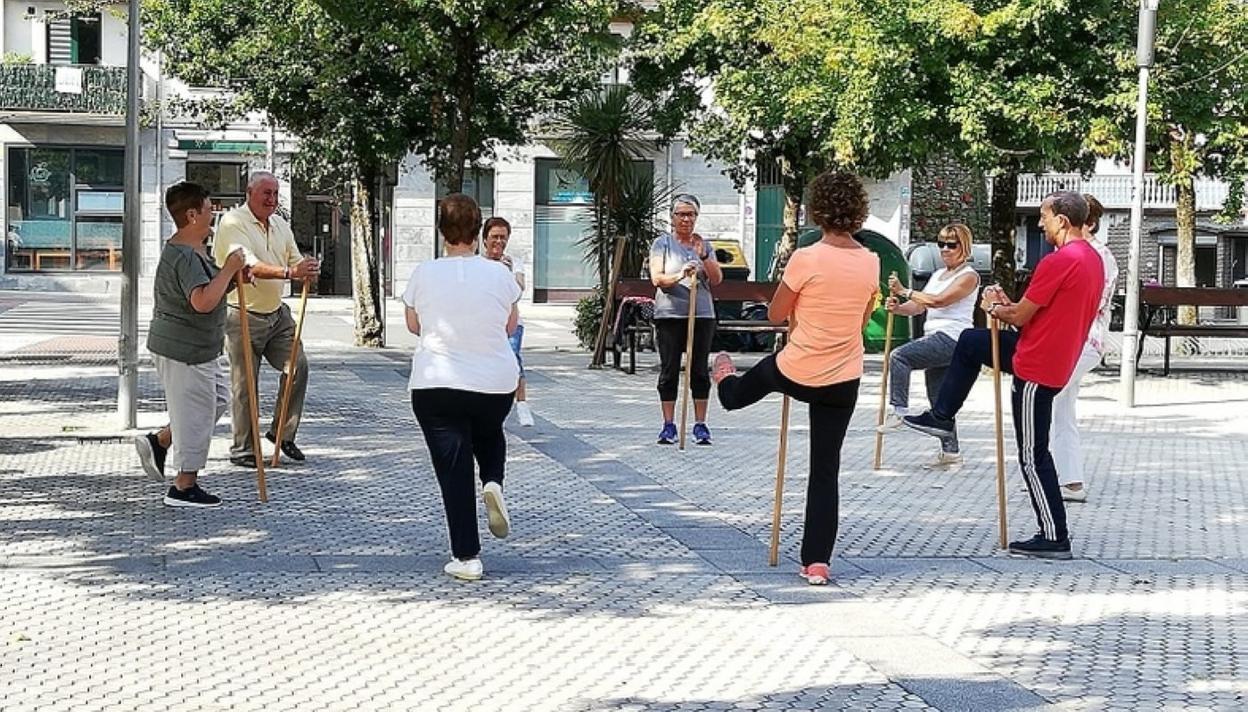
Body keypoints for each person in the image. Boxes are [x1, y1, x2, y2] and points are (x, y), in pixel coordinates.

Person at [901, 191, 1104, 559]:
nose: (1040, 223)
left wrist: (996, 306)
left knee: (1032, 453)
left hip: (1038, 364)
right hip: (1050, 353)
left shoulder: (1059, 261)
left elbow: (1019, 316)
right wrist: (1004, 305)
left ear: (1061, 220)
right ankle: (942, 416)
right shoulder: (1091, 258)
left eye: (1044, 216)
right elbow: (1039, 312)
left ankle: (1055, 534)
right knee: (971, 341)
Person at [711, 172, 879, 586]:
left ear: (818, 210)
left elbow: (774, 315)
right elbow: (860, 319)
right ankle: (817, 561)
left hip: (798, 367)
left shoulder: (806, 257)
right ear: (858, 211)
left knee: (745, 388)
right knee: (826, 469)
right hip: (843, 376)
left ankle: (724, 381)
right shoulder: (871, 261)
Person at [404, 194, 521, 581]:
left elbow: (413, 325)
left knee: (453, 468)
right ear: (479, 230)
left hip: (437, 382)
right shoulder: (500, 274)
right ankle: (493, 480)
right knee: (489, 432)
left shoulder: (423, 273)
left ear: (441, 231)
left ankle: (466, 556)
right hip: (495, 381)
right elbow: (509, 326)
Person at [142, 181, 250, 507]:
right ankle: (183, 486)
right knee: (196, 413)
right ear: (191, 215)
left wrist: (231, 281)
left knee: (215, 401)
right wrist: (230, 268)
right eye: (207, 208)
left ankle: (160, 441)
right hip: (184, 349)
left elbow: (208, 293)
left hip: (198, 347)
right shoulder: (185, 255)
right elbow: (201, 302)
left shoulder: (191, 251)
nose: (212, 213)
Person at [213, 171, 319, 468]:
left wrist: (307, 267)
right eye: (266, 193)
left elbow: (294, 259)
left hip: (276, 313)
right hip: (241, 313)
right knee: (245, 384)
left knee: (297, 366)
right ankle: (243, 449)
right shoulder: (233, 222)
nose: (271, 200)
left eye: (275, 194)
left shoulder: (280, 223)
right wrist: (289, 274)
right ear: (250, 193)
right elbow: (248, 264)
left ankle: (282, 433)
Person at [879, 224, 980, 469]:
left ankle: (899, 410)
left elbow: (938, 301)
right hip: (936, 335)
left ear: (964, 247)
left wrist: (905, 291)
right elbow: (920, 306)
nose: (945, 249)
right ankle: (951, 454)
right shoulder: (937, 275)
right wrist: (899, 308)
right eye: (941, 243)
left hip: (953, 337)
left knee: (900, 357)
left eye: (951, 244)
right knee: (939, 401)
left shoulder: (969, 276)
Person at [1052, 195, 1118, 503]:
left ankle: (1046, 473)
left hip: (1081, 340)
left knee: (1042, 398)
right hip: (1078, 340)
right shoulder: (1077, 252)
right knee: (1061, 408)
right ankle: (1071, 482)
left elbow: (1088, 302)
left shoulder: (1096, 255)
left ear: (1089, 222)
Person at [649, 194, 723, 445]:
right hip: (670, 314)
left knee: (699, 370)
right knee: (669, 370)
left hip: (701, 314)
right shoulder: (662, 244)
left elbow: (716, 279)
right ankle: (668, 425)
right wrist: (681, 274)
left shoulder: (704, 244)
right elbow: (657, 279)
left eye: (690, 214)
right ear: (672, 218)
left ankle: (700, 424)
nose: (686, 219)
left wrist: (703, 258)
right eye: (681, 214)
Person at [482, 216, 534, 427]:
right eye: (494, 237)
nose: (499, 242)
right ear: (484, 239)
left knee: (513, 359)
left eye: (503, 237)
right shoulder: (478, 264)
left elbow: (519, 289)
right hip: (485, 322)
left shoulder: (513, 263)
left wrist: (508, 272)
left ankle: (521, 403)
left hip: (511, 322)